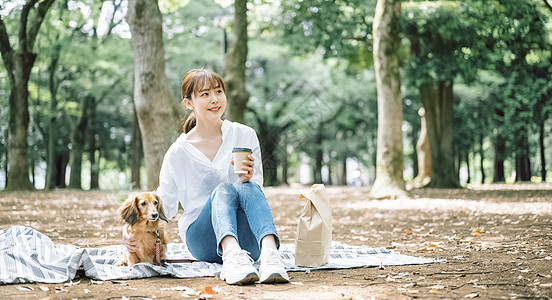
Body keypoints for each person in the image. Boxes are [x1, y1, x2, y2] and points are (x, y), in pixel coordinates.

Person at [125, 69, 289, 285]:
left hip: (248, 240)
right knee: (224, 189)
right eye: (204, 94)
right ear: (188, 103)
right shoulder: (178, 152)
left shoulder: (245, 135)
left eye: (219, 91)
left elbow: (256, 192)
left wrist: (249, 178)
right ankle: (231, 257)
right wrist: (129, 227)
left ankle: (270, 255)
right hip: (203, 239)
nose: (215, 99)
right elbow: (164, 205)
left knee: (248, 187)